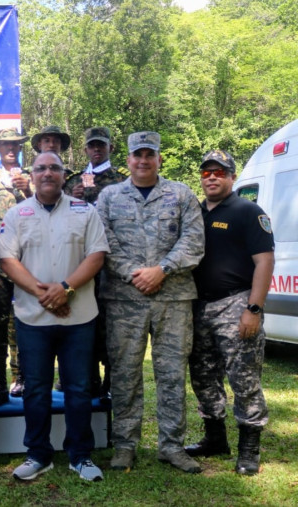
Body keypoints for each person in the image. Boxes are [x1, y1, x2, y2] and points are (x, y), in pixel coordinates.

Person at [96, 131, 205, 473]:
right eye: (137, 155)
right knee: (125, 373)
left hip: (173, 297)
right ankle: (125, 445)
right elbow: (102, 241)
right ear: (127, 159)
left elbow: (193, 241)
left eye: (149, 154)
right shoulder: (110, 196)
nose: (143, 161)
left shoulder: (181, 194)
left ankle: (172, 446)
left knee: (171, 373)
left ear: (159, 158)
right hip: (123, 300)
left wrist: (162, 270)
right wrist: (134, 273)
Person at [0, 151, 109, 482]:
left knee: (77, 388)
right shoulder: (17, 213)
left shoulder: (85, 211)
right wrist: (45, 294)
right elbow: (7, 260)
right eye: (41, 168)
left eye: (54, 168)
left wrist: (66, 290)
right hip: (33, 318)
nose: (48, 173)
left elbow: (96, 256)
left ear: (64, 175)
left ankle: (80, 455)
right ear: (32, 175)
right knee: (35, 389)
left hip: (79, 318)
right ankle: (37, 454)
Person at [185, 150, 274, 475]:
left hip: (236, 305)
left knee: (244, 378)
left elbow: (264, 261)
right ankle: (215, 439)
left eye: (219, 172)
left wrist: (254, 308)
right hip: (199, 307)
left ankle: (249, 451)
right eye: (206, 172)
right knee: (203, 376)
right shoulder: (194, 212)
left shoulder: (248, 211)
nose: (211, 177)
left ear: (231, 177)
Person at [63, 127, 128, 398]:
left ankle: (111, 383)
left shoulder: (123, 181)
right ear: (86, 149)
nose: (96, 150)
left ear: (111, 148)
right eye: (92, 146)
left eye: (101, 145)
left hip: (113, 264)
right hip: (80, 263)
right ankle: (88, 379)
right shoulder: (73, 181)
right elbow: (59, 218)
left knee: (112, 324)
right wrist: (72, 199)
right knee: (83, 321)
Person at [0, 127, 35, 404]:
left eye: (15, 144)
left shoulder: (36, 177)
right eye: (5, 145)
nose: (11, 149)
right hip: (0, 264)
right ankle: (0, 382)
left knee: (26, 322)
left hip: (29, 264)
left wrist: (29, 189)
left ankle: (23, 378)